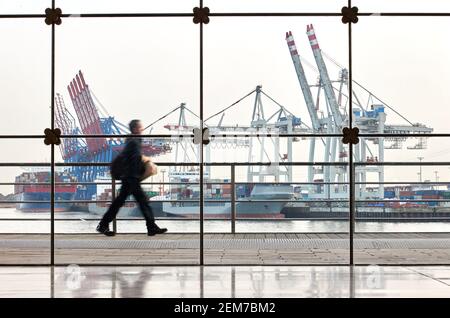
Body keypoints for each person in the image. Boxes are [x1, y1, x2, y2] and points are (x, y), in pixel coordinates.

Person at [96, 119, 167, 236]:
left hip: (128, 177)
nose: (142, 130)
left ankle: (103, 225)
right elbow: (133, 161)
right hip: (131, 177)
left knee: (119, 202)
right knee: (143, 201)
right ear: (135, 129)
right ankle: (151, 227)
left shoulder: (131, 141)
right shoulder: (134, 142)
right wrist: (140, 174)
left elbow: (129, 158)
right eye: (140, 128)